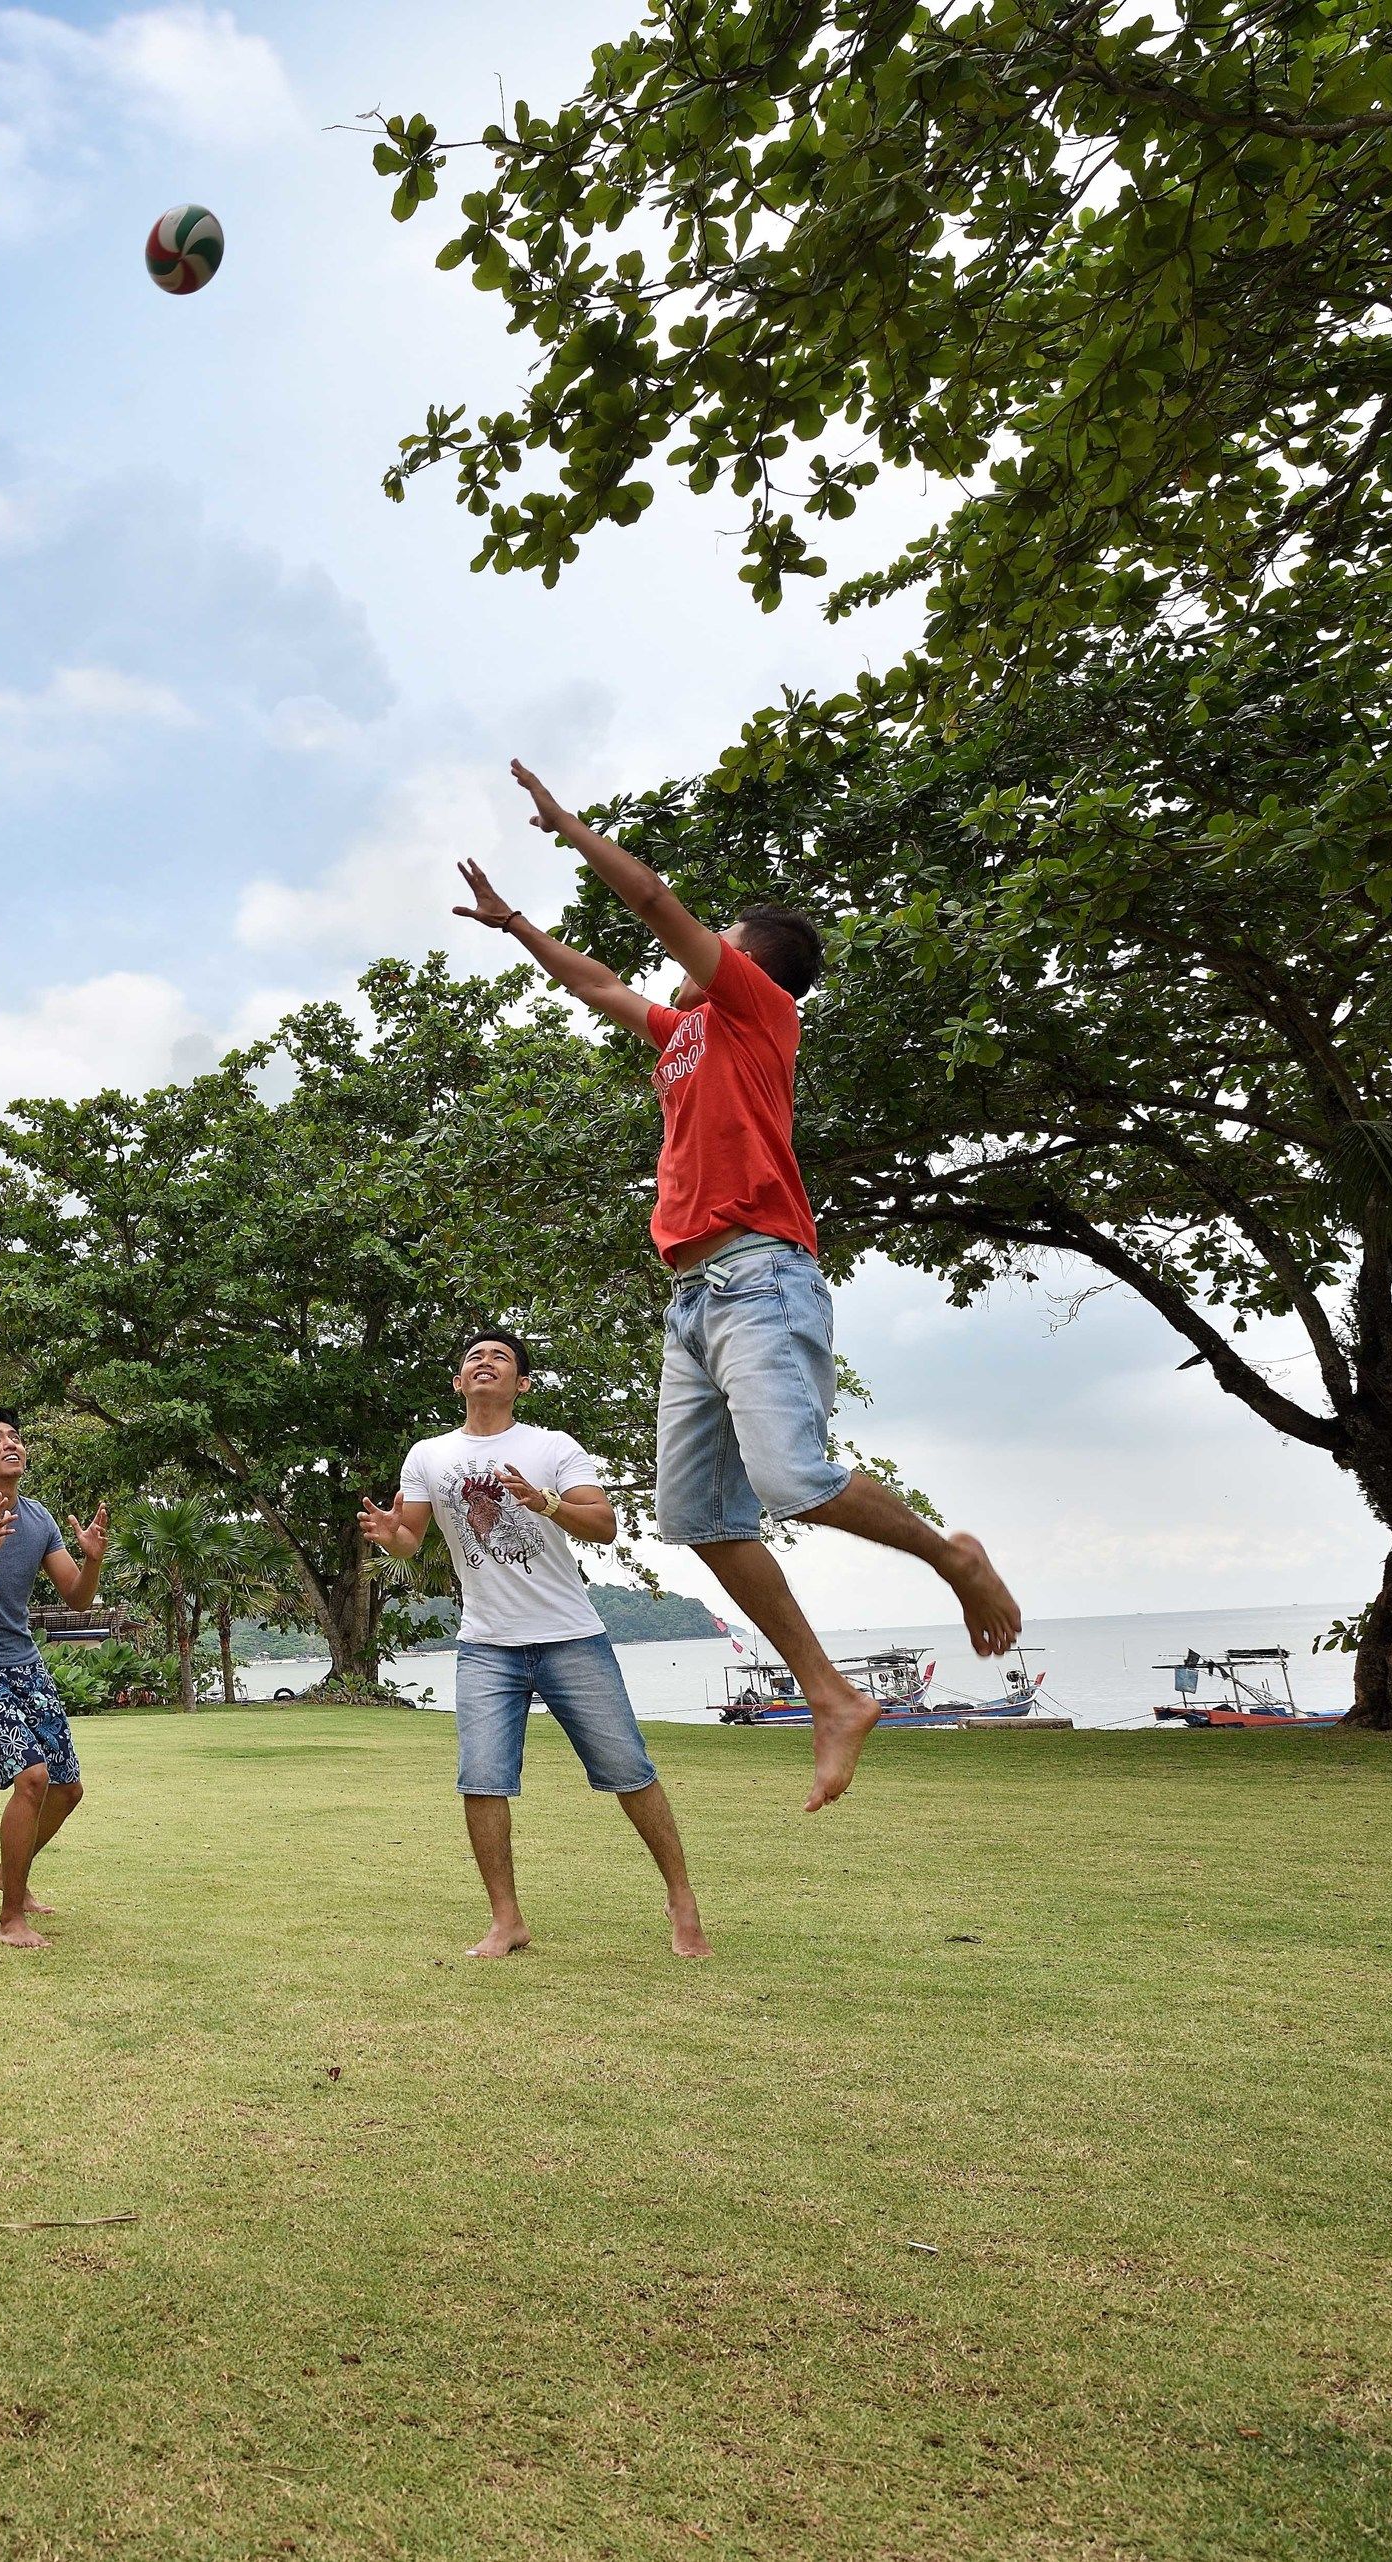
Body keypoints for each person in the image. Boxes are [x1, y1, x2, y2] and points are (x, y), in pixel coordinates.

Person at [458, 762, 1023, 1810]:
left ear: (747, 958)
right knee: (696, 1518)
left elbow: (653, 902)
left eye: (710, 940)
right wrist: (519, 927)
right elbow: (598, 984)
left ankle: (955, 1560)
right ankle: (831, 1694)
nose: (677, 954)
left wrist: (571, 827)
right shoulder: (684, 1037)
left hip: (761, 1274)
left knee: (793, 1480)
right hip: (691, 1298)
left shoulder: (756, 1008)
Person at [358, 1330, 709, 1959]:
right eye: (472, 1358)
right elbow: (411, 1537)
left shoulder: (552, 1447)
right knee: (482, 1780)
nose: (483, 1362)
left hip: (571, 1638)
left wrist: (545, 1502)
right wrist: (391, 1536)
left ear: (521, 1383)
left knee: (629, 1771)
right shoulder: (428, 1455)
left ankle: (681, 1899)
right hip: (486, 1645)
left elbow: (603, 1524)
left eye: (500, 1357)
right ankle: (507, 1920)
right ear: (459, 1383)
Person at [0, 1410, 111, 1950]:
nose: (10, 1443)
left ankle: (11, 1872)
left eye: (15, 1437)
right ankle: (11, 1917)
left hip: (25, 1663)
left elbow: (77, 1598)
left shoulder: (40, 1519)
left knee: (67, 1788)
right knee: (32, 1778)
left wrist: (92, 1561)